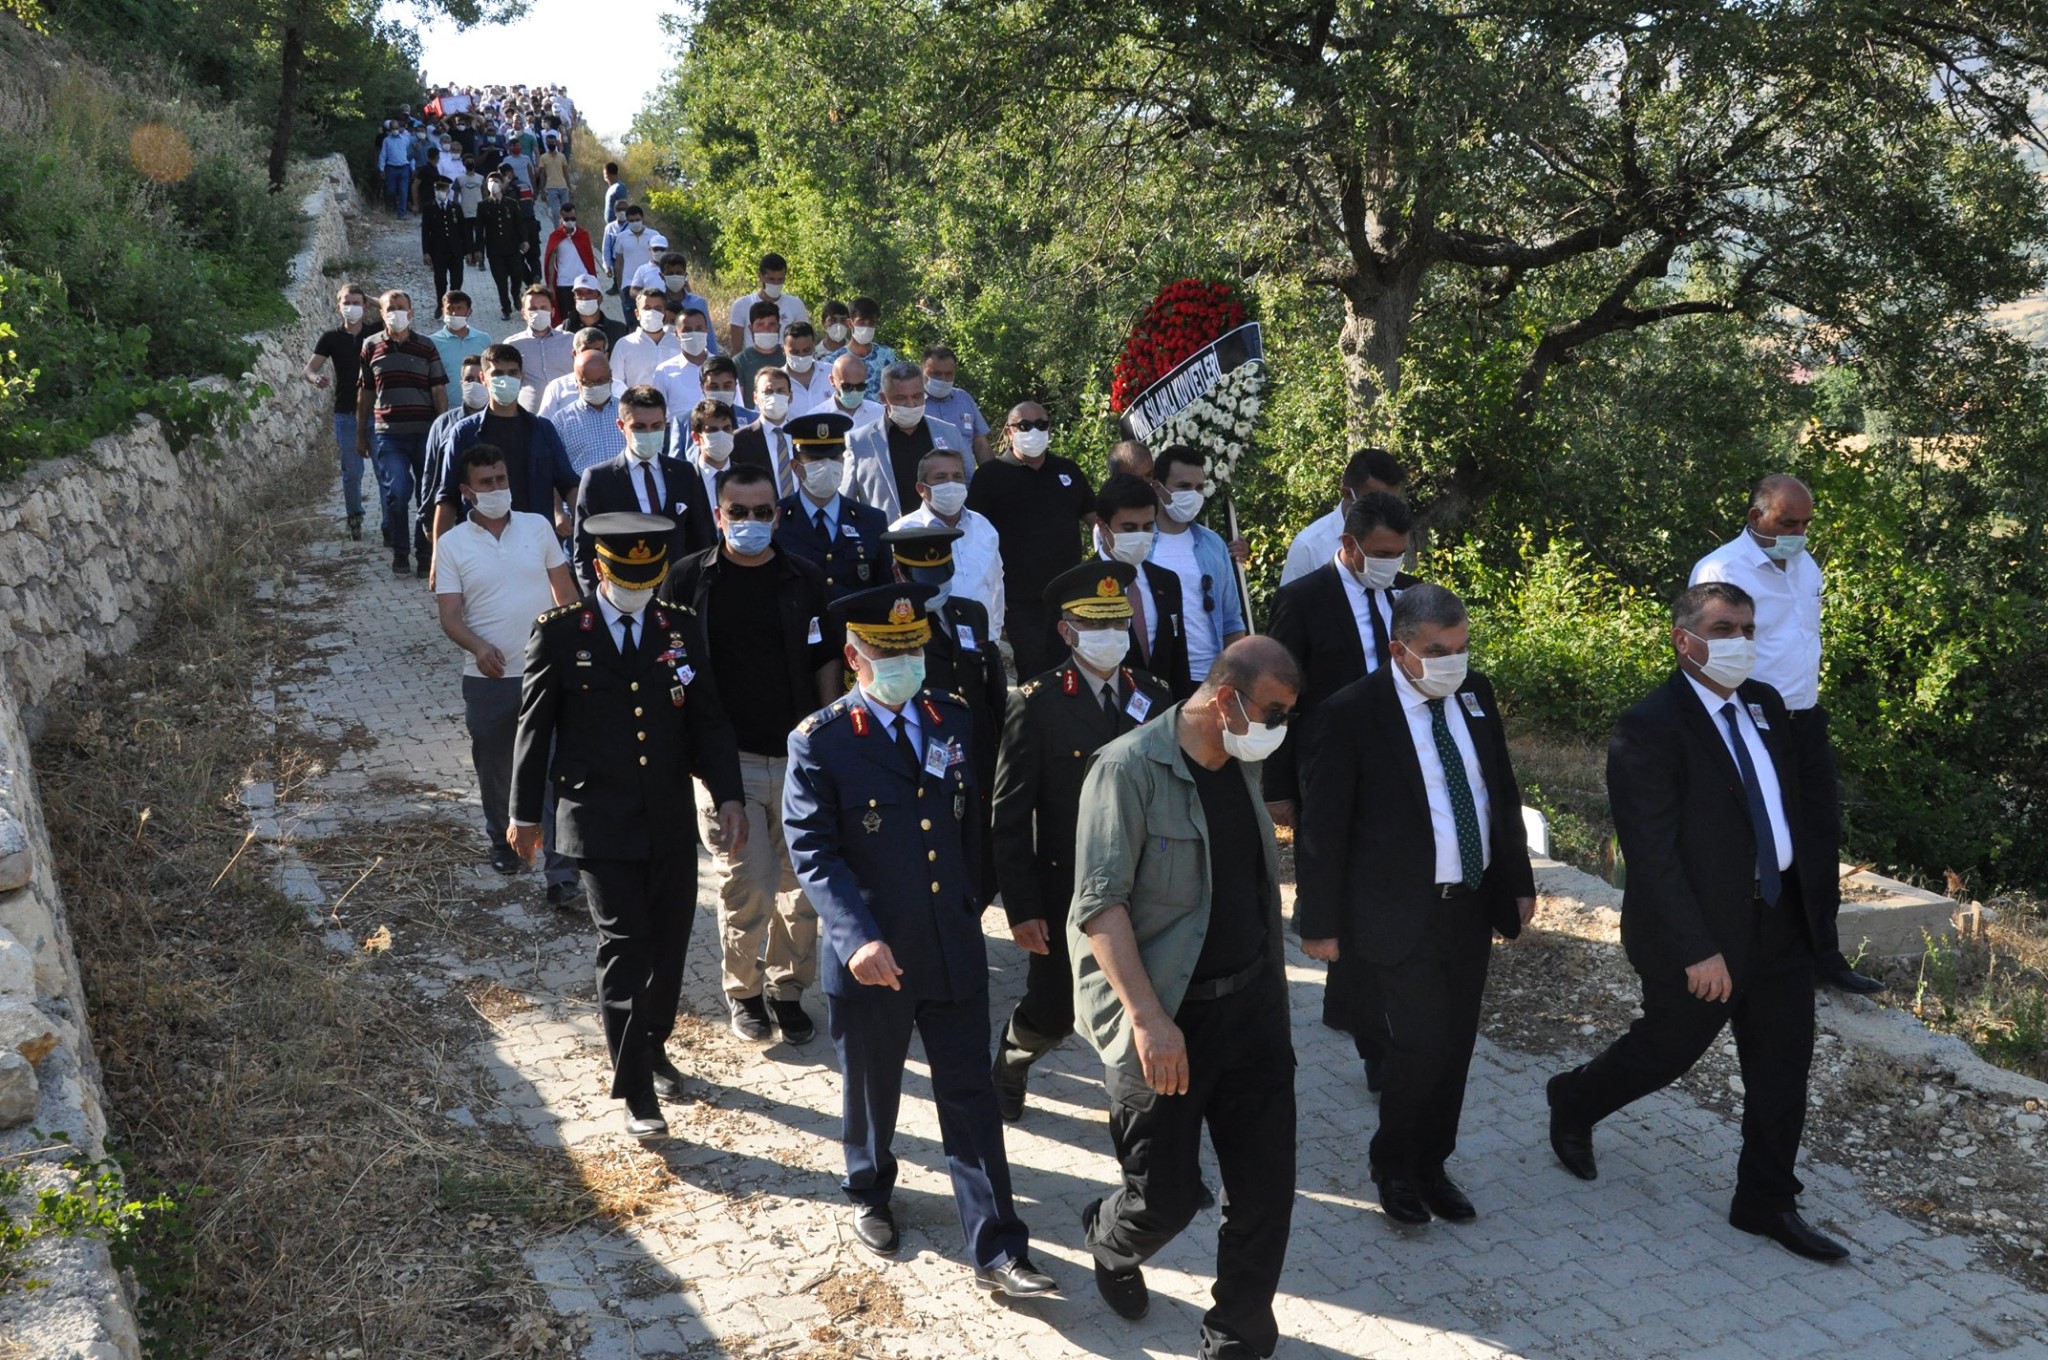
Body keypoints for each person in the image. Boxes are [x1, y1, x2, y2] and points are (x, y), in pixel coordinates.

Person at [1545, 582, 1850, 1263]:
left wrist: (1814, 920)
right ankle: (1575, 1100)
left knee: (1782, 1069)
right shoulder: (1649, 727)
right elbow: (1651, 853)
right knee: (1666, 1054)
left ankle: (1765, 1200)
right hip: (1703, 935)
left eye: (1748, 628)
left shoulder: (1765, 705)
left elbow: (1793, 811)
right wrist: (1698, 949)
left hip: (1780, 923)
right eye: (1724, 629)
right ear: (1684, 641)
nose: (1741, 641)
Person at [780, 585, 1057, 1299]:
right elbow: (814, 852)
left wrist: (972, 903)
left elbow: (970, 823)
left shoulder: (950, 717)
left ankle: (999, 1247)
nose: (906, 663)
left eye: (913, 650)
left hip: (949, 943)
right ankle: (870, 1188)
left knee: (970, 1096)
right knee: (873, 1088)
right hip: (874, 953)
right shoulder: (821, 740)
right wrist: (855, 939)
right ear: (855, 658)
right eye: (888, 652)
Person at [1070, 637, 1300, 1356]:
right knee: (1165, 1199)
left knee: (1265, 1193)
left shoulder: (1240, 763)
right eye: (1274, 712)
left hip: (1252, 1011)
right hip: (1167, 1019)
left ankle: (1236, 1335)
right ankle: (1111, 1239)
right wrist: (1148, 1020)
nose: (1279, 728)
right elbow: (1100, 906)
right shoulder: (1127, 770)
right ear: (1226, 699)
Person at [1296, 584, 1536, 1228]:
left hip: (1470, 903)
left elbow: (1499, 791)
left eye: (1460, 647)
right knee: (1420, 1045)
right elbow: (1323, 828)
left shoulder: (1475, 694)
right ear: (1399, 650)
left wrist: (1518, 882)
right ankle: (1394, 1166)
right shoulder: (1351, 713)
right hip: (1398, 910)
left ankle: (1433, 1164)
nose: (1452, 662)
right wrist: (1319, 923)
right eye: (1437, 651)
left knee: (1456, 1044)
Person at [509, 512, 747, 1140]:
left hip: (666, 813)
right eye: (627, 578)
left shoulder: (678, 626)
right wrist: (524, 814)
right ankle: (635, 1089)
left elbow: (707, 718)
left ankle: (653, 1043)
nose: (639, 590)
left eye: (649, 579)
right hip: (596, 817)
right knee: (625, 945)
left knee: (669, 945)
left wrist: (728, 795)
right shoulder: (562, 632)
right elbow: (535, 728)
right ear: (599, 570)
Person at [661, 464, 842, 1044]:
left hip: (798, 759)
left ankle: (788, 990)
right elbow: (668, 663)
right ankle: (743, 991)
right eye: (738, 512)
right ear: (719, 515)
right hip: (725, 762)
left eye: (762, 512)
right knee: (749, 884)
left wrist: (828, 735)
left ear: (778, 516)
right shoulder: (688, 580)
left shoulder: (804, 577)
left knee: (801, 887)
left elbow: (826, 660)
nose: (750, 521)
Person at [990, 561, 1174, 1121]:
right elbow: (1010, 815)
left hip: (1144, 882)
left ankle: (1140, 1109)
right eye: (1096, 624)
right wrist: (1022, 908)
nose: (1110, 636)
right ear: (1067, 631)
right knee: (1054, 1011)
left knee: (1144, 996)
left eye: (1118, 623)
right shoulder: (1036, 701)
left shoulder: (1155, 695)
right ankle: (1011, 1061)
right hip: (1066, 891)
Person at [1690, 475, 1879, 995]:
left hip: (1805, 718)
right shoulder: (1722, 570)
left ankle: (1824, 957)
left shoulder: (1805, 565)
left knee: (1818, 833)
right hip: (1751, 718)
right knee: (1756, 835)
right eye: (1788, 523)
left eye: (1805, 524)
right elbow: (1707, 655)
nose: (1798, 534)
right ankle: (1742, 950)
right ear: (1757, 518)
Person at [1264, 491, 1421, 1072]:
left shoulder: (1411, 597)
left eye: (1399, 553)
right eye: (1381, 553)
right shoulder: (1304, 600)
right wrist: (1277, 784)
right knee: (1346, 895)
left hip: (1400, 769)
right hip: (1330, 772)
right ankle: (1378, 1051)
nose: (1391, 563)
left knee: (1383, 895)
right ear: (1349, 545)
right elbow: (1279, 695)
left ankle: (1350, 1003)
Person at [435, 443, 577, 876]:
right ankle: (502, 839)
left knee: (555, 769)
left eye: (501, 479)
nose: (497, 488)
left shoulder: (538, 527)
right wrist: (478, 647)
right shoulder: (452, 545)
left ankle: (561, 870)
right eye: (486, 483)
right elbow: (450, 616)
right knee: (496, 769)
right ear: (467, 491)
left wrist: (572, 649)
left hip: (545, 674)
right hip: (489, 680)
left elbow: (566, 595)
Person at [882, 525, 1009, 903]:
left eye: (943, 575)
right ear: (899, 573)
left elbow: (992, 686)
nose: (936, 587)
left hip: (977, 756)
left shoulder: (970, 613)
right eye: (926, 578)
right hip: (925, 760)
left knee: (982, 861)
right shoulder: (889, 626)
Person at [966, 401, 1095, 681]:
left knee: (1072, 668)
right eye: (1024, 426)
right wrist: (990, 590)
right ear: (1009, 432)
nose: (1033, 431)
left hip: (1068, 593)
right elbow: (974, 535)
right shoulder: (990, 476)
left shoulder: (1068, 471)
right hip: (1019, 598)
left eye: (1041, 424)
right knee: (1034, 669)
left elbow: (1095, 520)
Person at [430, 344, 578, 554]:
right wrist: (438, 557)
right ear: (484, 379)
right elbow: (447, 497)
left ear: (521, 377)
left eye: (512, 373)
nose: (505, 379)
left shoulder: (542, 429)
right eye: (497, 373)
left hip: (535, 543)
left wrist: (583, 536)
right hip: (480, 545)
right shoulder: (464, 432)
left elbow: (569, 485)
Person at [572, 386, 718, 594]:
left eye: (656, 426)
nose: (649, 433)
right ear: (621, 426)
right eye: (639, 427)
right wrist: (600, 603)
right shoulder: (599, 479)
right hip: (623, 595)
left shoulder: (684, 473)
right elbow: (584, 552)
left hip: (679, 594)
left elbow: (702, 539)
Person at [354, 290, 448, 576]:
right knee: (397, 491)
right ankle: (400, 551)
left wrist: (442, 428)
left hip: (424, 433)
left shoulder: (426, 346)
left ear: (411, 312)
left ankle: (425, 553)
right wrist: (361, 433)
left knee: (427, 495)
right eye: (390, 308)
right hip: (388, 434)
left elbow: (438, 388)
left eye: (401, 307)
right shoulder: (370, 346)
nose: (396, 312)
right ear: (381, 313)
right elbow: (366, 392)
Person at [1147, 445, 1246, 684]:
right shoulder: (1140, 544)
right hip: (1155, 679)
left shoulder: (1213, 544)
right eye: (1183, 486)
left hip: (1209, 679)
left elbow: (1232, 621)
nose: (1193, 495)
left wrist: (1233, 679)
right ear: (1157, 487)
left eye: (1199, 487)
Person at [1091, 474, 1192, 699]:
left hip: (1163, 708)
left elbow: (1178, 658)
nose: (1139, 536)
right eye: (1129, 528)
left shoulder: (1166, 581)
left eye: (1147, 527)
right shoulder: (1080, 585)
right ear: (1103, 525)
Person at [774, 413, 891, 603]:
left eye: (834, 457)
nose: (827, 465)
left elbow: (883, 592)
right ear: (795, 467)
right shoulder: (776, 519)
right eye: (814, 458)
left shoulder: (871, 521)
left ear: (843, 461)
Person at [888, 448, 1005, 629]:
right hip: (929, 638)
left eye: (957, 477)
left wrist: (994, 632)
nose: (951, 483)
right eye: (940, 477)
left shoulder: (983, 526)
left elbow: (995, 584)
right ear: (921, 489)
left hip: (983, 638)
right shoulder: (902, 532)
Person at [842, 361, 969, 521]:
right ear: (884, 398)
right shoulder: (859, 442)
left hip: (944, 531)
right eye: (901, 398)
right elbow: (846, 500)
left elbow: (968, 482)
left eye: (917, 396)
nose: (911, 404)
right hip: (888, 532)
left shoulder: (949, 433)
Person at [306, 283, 381, 540]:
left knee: (384, 470)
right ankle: (354, 517)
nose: (352, 307)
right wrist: (315, 378)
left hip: (378, 412)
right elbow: (309, 369)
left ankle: (390, 521)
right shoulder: (331, 338)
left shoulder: (376, 332)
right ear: (338, 306)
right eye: (346, 303)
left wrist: (371, 299)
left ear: (365, 306)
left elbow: (393, 307)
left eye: (357, 303)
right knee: (352, 472)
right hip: (346, 412)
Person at [1279, 448, 1407, 587]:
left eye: (1392, 502)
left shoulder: (1398, 539)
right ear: (1347, 494)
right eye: (1375, 503)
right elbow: (1292, 598)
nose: (1386, 511)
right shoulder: (1308, 547)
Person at [546, 348, 627, 475]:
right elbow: (556, 467)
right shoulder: (562, 421)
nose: (595, 386)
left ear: (611, 376)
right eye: (588, 382)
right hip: (582, 486)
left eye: (601, 381)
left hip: (626, 485)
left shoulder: (628, 412)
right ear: (576, 381)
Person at [732, 367, 803, 496]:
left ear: (790, 396)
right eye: (768, 392)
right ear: (755, 397)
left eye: (781, 391)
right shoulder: (739, 440)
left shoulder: (804, 435)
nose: (774, 397)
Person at [724, 252, 807, 356]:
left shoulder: (796, 305)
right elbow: (736, 349)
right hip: (751, 363)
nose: (776, 284)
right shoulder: (741, 305)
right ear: (760, 276)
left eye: (780, 279)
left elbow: (804, 340)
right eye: (771, 279)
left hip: (785, 362)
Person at [506, 285, 574, 412]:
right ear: (524, 313)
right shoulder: (512, 345)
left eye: (543, 308)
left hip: (567, 412)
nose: (538, 312)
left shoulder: (570, 340)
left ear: (552, 312)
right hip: (531, 414)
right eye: (533, 308)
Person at [919, 344, 991, 463]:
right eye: (936, 374)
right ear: (922, 371)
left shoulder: (964, 399)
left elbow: (980, 443)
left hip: (966, 474)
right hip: (928, 474)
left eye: (948, 374)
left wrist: (991, 472)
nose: (943, 379)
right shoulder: (912, 404)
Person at [477, 171, 528, 318]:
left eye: (496, 181)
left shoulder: (511, 203)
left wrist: (524, 240)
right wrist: (479, 250)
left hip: (512, 248)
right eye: (490, 181)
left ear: (502, 184)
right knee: (501, 281)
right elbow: (479, 230)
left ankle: (515, 294)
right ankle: (506, 308)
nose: (493, 184)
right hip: (495, 251)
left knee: (517, 276)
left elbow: (519, 224)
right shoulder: (483, 205)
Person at [535, 325, 617, 416]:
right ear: (574, 354)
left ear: (605, 355)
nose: (591, 355)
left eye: (597, 351)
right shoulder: (557, 388)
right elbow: (545, 421)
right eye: (586, 350)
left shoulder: (618, 387)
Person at [822, 297, 895, 398]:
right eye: (861, 322)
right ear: (849, 323)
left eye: (872, 323)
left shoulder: (886, 355)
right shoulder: (833, 361)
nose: (867, 327)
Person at [653, 307, 716, 415]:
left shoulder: (724, 367)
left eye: (699, 329)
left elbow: (737, 407)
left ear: (707, 331)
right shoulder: (663, 371)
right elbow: (657, 413)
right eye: (687, 330)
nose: (694, 333)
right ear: (677, 334)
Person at [614, 291, 682, 389]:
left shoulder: (679, 343)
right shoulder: (624, 345)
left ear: (664, 313)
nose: (652, 313)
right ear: (637, 313)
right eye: (647, 308)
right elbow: (616, 383)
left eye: (658, 309)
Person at [681, 398, 739, 508]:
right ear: (696, 437)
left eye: (726, 429)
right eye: (713, 430)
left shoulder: (746, 478)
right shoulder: (684, 481)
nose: (721, 435)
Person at [542, 205, 597, 320]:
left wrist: (595, 284)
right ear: (561, 218)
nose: (570, 221)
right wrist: (550, 285)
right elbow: (550, 262)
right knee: (567, 319)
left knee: (586, 316)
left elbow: (589, 259)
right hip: (564, 284)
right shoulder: (555, 237)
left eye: (573, 218)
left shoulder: (583, 235)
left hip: (583, 282)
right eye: (566, 219)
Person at [425, 289, 489, 379]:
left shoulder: (484, 339)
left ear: (469, 312)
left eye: (459, 308)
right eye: (450, 308)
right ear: (443, 311)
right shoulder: (431, 342)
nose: (454, 313)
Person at [421, 177, 467, 303]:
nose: (440, 191)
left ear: (448, 190)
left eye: (443, 188)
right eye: (438, 188)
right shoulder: (429, 208)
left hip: (455, 251)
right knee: (440, 281)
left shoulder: (455, 207)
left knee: (457, 280)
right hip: (438, 251)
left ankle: (454, 303)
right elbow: (425, 231)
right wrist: (426, 252)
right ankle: (441, 304)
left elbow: (463, 231)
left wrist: (468, 251)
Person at [734, 299, 787, 393]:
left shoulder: (789, 357)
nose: (766, 329)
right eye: (760, 325)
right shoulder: (740, 361)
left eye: (771, 324)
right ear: (751, 329)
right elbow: (738, 398)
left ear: (779, 327)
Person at [782, 322, 832, 417]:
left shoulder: (831, 372)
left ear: (813, 348)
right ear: (784, 350)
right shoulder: (775, 381)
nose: (801, 356)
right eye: (795, 352)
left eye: (806, 350)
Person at [568, 275, 629, 347]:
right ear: (575, 299)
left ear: (600, 298)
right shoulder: (565, 330)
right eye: (579, 293)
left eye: (589, 292)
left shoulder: (619, 330)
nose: (584, 297)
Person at [829, 353, 884, 428]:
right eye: (847, 386)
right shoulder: (818, 417)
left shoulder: (880, 413)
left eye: (860, 386)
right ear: (832, 381)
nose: (854, 392)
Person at [377, 120, 413, 214]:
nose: (395, 130)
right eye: (393, 128)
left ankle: (402, 212)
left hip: (404, 167)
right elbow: (383, 155)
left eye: (396, 128)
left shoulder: (405, 139)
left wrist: (412, 167)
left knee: (403, 191)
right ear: (390, 129)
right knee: (391, 190)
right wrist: (381, 169)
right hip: (391, 168)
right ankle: (392, 206)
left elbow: (410, 154)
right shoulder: (386, 140)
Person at [534, 139, 572, 227]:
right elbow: (542, 175)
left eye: (552, 142)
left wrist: (569, 186)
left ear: (556, 143)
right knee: (555, 212)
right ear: (547, 144)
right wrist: (542, 191)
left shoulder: (562, 156)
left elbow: (565, 172)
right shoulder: (543, 157)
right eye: (549, 142)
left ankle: (566, 229)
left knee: (566, 211)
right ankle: (557, 230)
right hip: (551, 188)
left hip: (563, 187)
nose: (551, 144)